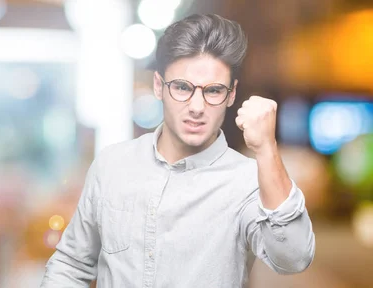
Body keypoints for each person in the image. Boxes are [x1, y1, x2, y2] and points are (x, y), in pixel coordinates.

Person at [41, 13, 315, 287]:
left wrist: (267, 148)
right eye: (182, 87)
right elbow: (71, 265)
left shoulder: (248, 182)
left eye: (213, 91)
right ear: (159, 86)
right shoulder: (112, 165)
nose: (197, 107)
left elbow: (293, 258)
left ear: (231, 94)